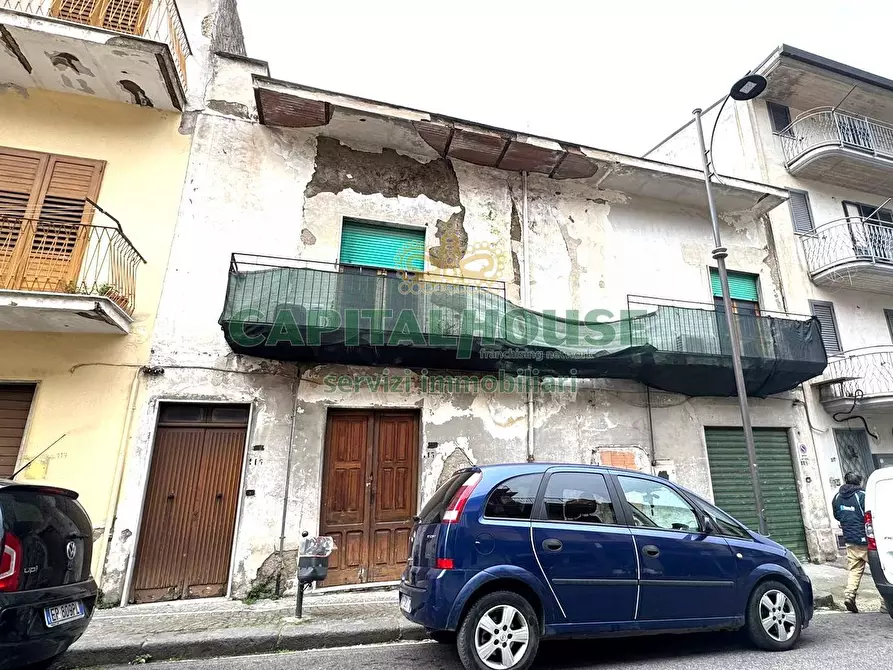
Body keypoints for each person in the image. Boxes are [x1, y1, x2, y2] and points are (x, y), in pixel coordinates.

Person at [832, 472, 868, 613]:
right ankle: (885, 603)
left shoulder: (837, 496)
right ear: (859, 481)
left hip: (849, 539)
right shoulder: (862, 495)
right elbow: (870, 514)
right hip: (865, 540)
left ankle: (849, 595)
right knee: (880, 571)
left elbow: (837, 515)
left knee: (854, 569)